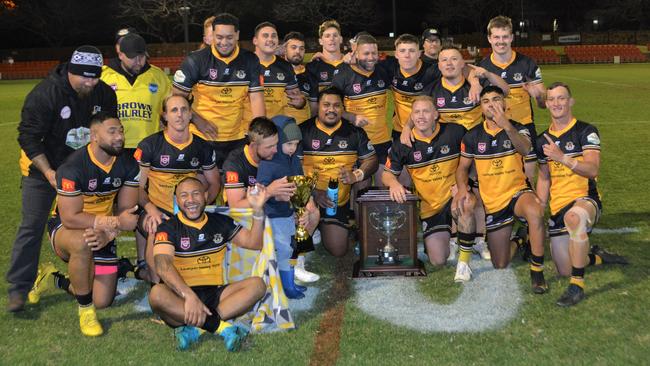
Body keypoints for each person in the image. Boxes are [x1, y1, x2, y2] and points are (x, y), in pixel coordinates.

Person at [7, 45, 117, 313]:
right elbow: (28, 137)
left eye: (95, 76)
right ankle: (19, 287)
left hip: (82, 172)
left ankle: (91, 270)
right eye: (85, 77)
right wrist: (48, 172)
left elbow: (107, 130)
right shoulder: (46, 94)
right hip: (43, 171)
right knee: (32, 225)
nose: (91, 83)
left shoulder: (103, 93)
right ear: (71, 71)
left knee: (91, 221)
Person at [32, 113, 139, 336]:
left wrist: (109, 234)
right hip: (67, 228)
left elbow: (126, 210)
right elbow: (71, 216)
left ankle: (54, 279)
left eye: (121, 131)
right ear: (94, 136)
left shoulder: (128, 163)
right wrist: (114, 223)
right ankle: (86, 311)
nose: (119, 137)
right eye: (112, 132)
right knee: (83, 243)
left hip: (104, 231)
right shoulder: (72, 167)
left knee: (102, 299)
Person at [535, 82, 627, 306]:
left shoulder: (586, 131)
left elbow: (592, 169)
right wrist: (540, 207)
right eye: (552, 99)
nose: (557, 103)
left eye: (562, 98)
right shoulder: (542, 140)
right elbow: (545, 177)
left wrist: (563, 158)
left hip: (585, 200)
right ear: (546, 104)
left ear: (571, 101)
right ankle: (595, 256)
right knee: (564, 268)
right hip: (558, 206)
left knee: (574, 218)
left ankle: (577, 287)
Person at [149, 177, 267, 351]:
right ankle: (222, 328)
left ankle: (196, 330)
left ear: (206, 196)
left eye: (196, 194)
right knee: (156, 294)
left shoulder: (220, 221)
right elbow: (162, 265)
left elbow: (254, 243)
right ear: (177, 200)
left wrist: (257, 211)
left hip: (215, 294)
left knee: (258, 285)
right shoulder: (168, 227)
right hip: (180, 298)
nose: (190, 200)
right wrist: (189, 296)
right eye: (184, 195)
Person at [456, 86, 547, 292]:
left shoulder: (519, 128)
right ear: (481, 107)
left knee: (535, 210)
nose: (491, 104)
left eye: (496, 99)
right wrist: (462, 188)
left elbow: (525, 149)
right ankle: (520, 238)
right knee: (500, 263)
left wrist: (506, 125)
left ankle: (537, 271)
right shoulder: (472, 136)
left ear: (504, 104)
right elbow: (462, 168)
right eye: (486, 101)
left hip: (517, 193)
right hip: (493, 202)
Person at [101, 31, 171, 279]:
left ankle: (143, 263)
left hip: (145, 154)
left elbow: (168, 112)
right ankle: (106, 261)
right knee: (108, 208)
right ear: (119, 53)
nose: (138, 61)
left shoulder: (158, 77)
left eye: (141, 56)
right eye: (132, 57)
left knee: (141, 208)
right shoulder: (105, 76)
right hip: (112, 152)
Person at [382, 96, 475, 276]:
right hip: (430, 206)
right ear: (412, 116)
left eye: (426, 111)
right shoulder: (403, 143)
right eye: (417, 112)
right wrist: (393, 183)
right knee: (438, 260)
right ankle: (451, 235)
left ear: (436, 115)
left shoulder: (455, 132)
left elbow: (474, 161)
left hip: (453, 196)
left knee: (467, 203)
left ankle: (463, 262)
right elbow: (387, 174)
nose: (421, 116)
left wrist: (465, 185)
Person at [134, 95, 220, 284]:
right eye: (173, 110)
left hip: (188, 209)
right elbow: (136, 188)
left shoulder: (202, 147)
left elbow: (214, 183)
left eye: (184, 110)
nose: (179, 115)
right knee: (155, 227)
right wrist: (151, 209)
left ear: (191, 114)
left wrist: (202, 203)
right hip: (157, 209)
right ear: (164, 116)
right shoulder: (149, 145)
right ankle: (157, 286)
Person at [172, 13, 265, 168]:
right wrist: (197, 120)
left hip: (237, 137)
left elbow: (256, 99)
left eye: (229, 37)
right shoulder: (196, 60)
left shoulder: (250, 60)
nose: (224, 42)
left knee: (235, 186)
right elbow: (175, 98)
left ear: (237, 35)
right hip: (202, 136)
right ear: (212, 35)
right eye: (219, 37)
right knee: (203, 186)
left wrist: (260, 135)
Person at [299, 87, 378, 257]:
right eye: (326, 105)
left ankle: (358, 228)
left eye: (336, 106)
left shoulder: (354, 132)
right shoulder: (303, 131)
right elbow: (291, 170)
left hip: (335, 200)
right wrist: (312, 192)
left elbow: (372, 161)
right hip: (308, 197)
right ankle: (313, 226)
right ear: (318, 107)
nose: (331, 110)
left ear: (342, 108)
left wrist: (355, 175)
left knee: (338, 249)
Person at [257, 116, 320, 298]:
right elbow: (262, 191)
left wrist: (303, 207)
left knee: (291, 249)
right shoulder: (269, 163)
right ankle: (286, 287)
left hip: (288, 214)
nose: (293, 148)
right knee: (284, 251)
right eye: (289, 143)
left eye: (296, 144)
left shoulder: (293, 160)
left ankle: (290, 283)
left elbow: (300, 186)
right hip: (274, 217)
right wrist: (274, 195)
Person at [478, 15, 546, 183]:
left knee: (527, 179)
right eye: (496, 37)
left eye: (505, 36)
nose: (501, 41)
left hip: (524, 126)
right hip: (494, 130)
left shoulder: (527, 63)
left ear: (512, 37)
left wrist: (537, 95)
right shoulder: (483, 66)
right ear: (489, 38)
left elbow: (544, 104)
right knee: (498, 178)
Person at [331, 34, 391, 184]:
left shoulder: (384, 70)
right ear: (356, 54)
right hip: (357, 141)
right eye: (366, 53)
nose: (370, 57)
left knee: (382, 186)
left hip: (382, 140)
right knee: (360, 187)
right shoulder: (343, 73)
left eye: (374, 53)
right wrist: (352, 117)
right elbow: (330, 107)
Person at [242, 22, 305, 123]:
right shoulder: (243, 63)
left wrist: (301, 102)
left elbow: (298, 98)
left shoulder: (285, 66)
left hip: (277, 129)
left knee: (294, 136)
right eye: (265, 36)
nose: (270, 39)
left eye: (274, 36)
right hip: (247, 129)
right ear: (255, 40)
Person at [306, 20, 344, 112]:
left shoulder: (350, 63)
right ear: (320, 41)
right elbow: (313, 104)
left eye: (335, 35)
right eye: (327, 36)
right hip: (325, 121)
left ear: (341, 39)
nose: (332, 39)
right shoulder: (313, 67)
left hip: (350, 122)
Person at [283, 31, 318, 123]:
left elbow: (313, 110)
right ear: (285, 49)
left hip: (303, 128)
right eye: (293, 47)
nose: (298, 51)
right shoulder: (274, 72)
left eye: (301, 48)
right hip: (277, 128)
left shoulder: (311, 76)